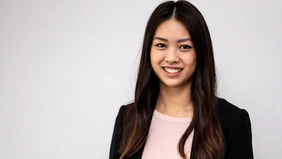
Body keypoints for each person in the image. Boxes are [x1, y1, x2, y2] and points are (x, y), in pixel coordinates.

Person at [109, 0, 253, 159]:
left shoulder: (231, 121)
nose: (171, 58)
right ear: (149, 51)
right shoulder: (128, 117)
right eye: (161, 45)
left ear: (200, 53)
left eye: (184, 47)